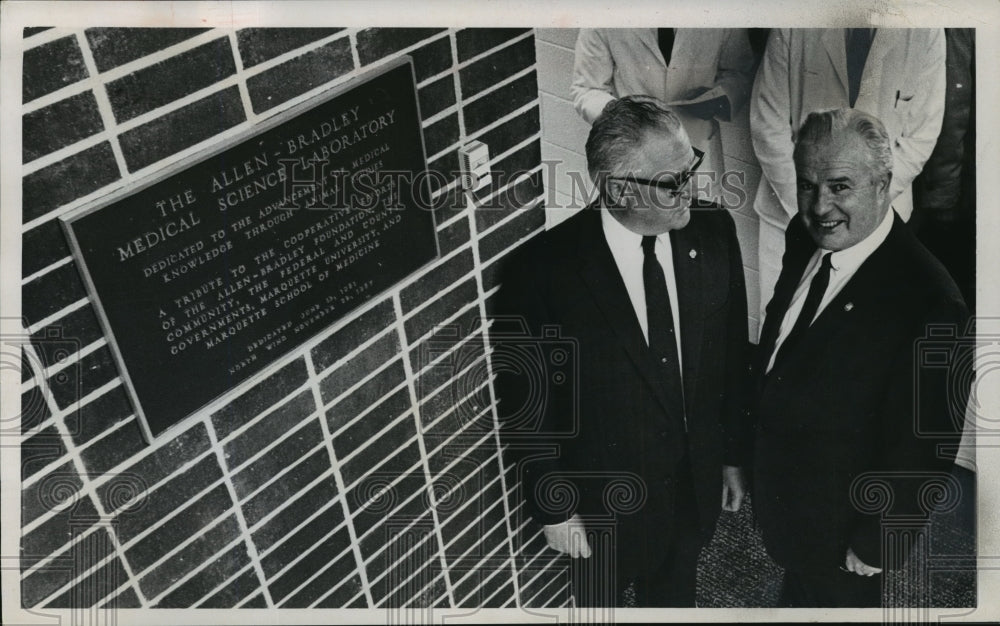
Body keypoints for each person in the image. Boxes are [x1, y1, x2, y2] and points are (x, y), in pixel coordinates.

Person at [494, 95, 751, 607]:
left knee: (676, 599)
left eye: (691, 167)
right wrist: (554, 508)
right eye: (673, 181)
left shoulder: (715, 231)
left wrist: (732, 457)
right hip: (600, 512)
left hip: (690, 488)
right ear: (617, 188)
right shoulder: (543, 272)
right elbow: (529, 406)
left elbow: (732, 357)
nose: (692, 189)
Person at [752, 108, 970, 607]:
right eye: (807, 184)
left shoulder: (930, 301)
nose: (819, 206)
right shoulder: (801, 235)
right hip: (789, 503)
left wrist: (878, 542)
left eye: (839, 186)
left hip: (847, 529)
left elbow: (925, 447)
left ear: (883, 184)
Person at [750, 28, 946, 325]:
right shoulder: (794, 21)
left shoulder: (926, 29)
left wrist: (864, 206)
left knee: (857, 343)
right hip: (788, 210)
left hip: (877, 221)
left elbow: (921, 135)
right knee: (779, 337)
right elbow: (768, 121)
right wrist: (810, 205)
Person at [572, 28, 755, 200]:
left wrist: (720, 99)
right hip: (629, 152)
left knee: (701, 229)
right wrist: (627, 117)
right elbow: (587, 89)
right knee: (631, 229)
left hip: (697, 153)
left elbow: (739, 71)